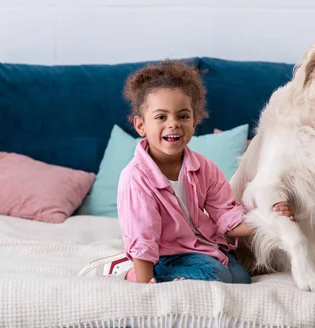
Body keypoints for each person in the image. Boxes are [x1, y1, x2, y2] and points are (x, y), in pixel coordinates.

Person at [78, 60, 294, 284]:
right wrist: (143, 284)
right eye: (161, 117)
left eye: (183, 116)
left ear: (195, 121)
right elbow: (143, 236)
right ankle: (126, 270)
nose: (173, 124)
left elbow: (226, 216)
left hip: (199, 248)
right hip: (162, 255)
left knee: (241, 278)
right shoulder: (136, 178)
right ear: (141, 125)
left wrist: (267, 218)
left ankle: (198, 272)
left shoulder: (205, 168)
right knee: (215, 275)